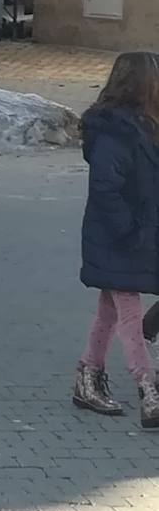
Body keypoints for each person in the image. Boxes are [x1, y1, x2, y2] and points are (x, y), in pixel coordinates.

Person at [71, 51, 159, 429]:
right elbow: (106, 188)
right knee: (128, 312)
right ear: (141, 85)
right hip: (118, 237)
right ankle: (148, 388)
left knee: (110, 310)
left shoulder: (146, 126)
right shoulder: (115, 131)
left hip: (136, 235)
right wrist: (131, 231)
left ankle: (87, 377)